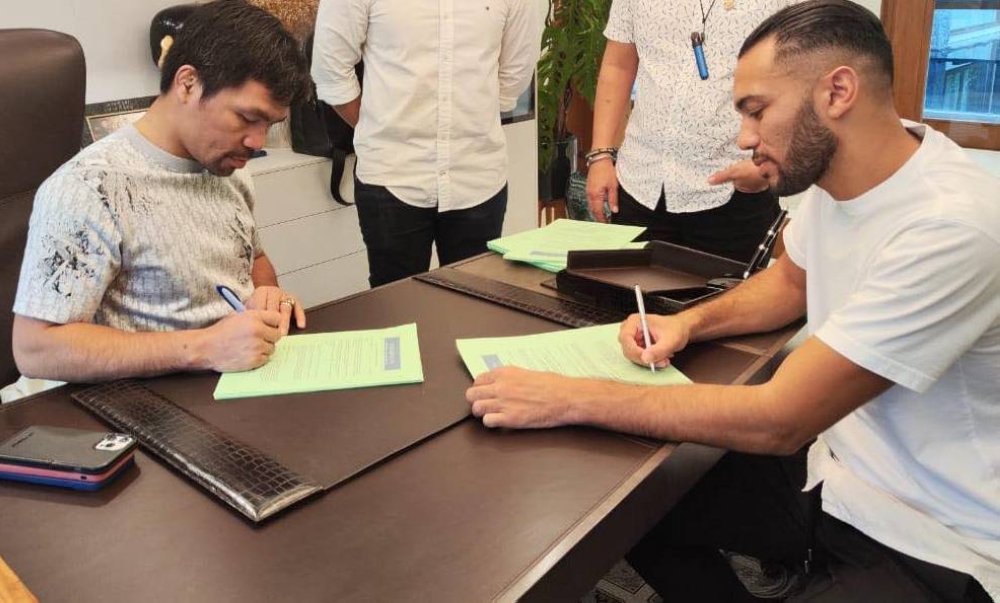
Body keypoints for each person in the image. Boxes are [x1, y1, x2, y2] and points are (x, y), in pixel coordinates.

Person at [467, 1, 1000, 601]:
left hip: (935, 538)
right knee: (630, 510)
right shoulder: (843, 176)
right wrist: (687, 325)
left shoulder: (953, 226)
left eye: (757, 111)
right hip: (838, 474)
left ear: (839, 91)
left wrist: (567, 396)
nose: (745, 138)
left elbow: (781, 418)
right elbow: (790, 283)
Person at [11, 0, 310, 385]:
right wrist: (203, 347)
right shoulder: (89, 188)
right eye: (248, 118)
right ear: (187, 83)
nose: (256, 141)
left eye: (269, 124)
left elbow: (254, 258)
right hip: (132, 408)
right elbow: (36, 349)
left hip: (228, 386)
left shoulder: (227, 163)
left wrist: (268, 294)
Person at [310, 0, 541, 288]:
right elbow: (330, 70)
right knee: (396, 310)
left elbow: (513, 76)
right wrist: (382, 126)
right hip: (391, 177)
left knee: (477, 306)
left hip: (477, 176)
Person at [586, 0, 800, 262]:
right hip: (640, 183)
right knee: (630, 301)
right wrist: (601, 155)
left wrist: (771, 163)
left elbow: (807, 82)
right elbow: (618, 65)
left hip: (733, 188)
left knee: (725, 302)